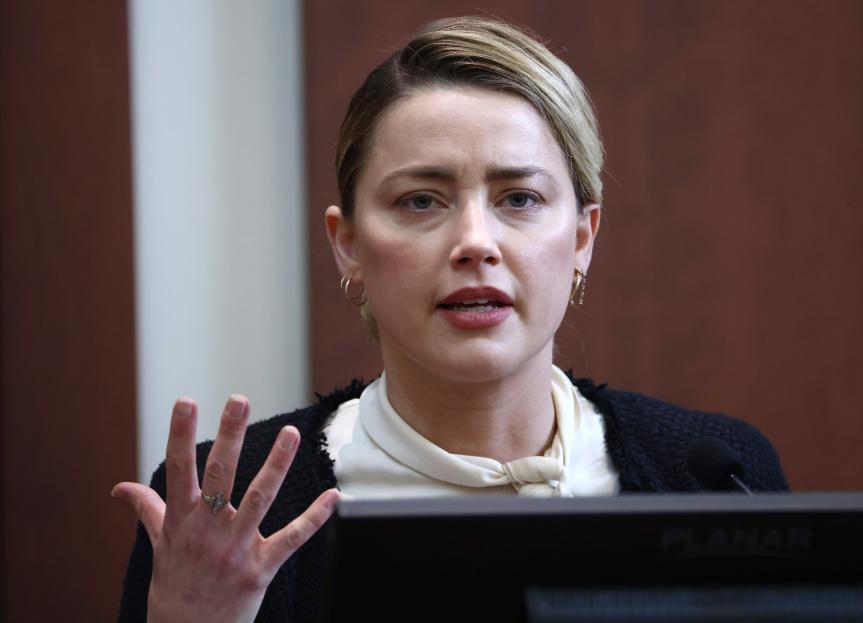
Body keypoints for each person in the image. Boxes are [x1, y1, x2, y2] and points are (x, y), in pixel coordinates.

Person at [113, 15, 789, 623]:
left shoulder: (716, 476)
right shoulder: (225, 512)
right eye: (421, 201)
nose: (476, 241)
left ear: (582, 239)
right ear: (347, 243)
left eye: (519, 198)